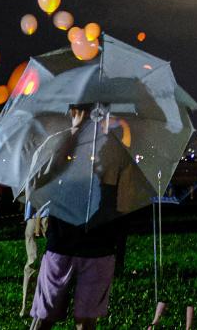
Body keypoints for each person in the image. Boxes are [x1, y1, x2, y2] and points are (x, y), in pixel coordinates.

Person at [29, 104, 147, 330]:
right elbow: (38, 182)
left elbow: (125, 202)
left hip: (95, 246)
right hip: (67, 243)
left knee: (79, 319)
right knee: (47, 316)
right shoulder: (62, 142)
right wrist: (72, 135)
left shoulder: (113, 147)